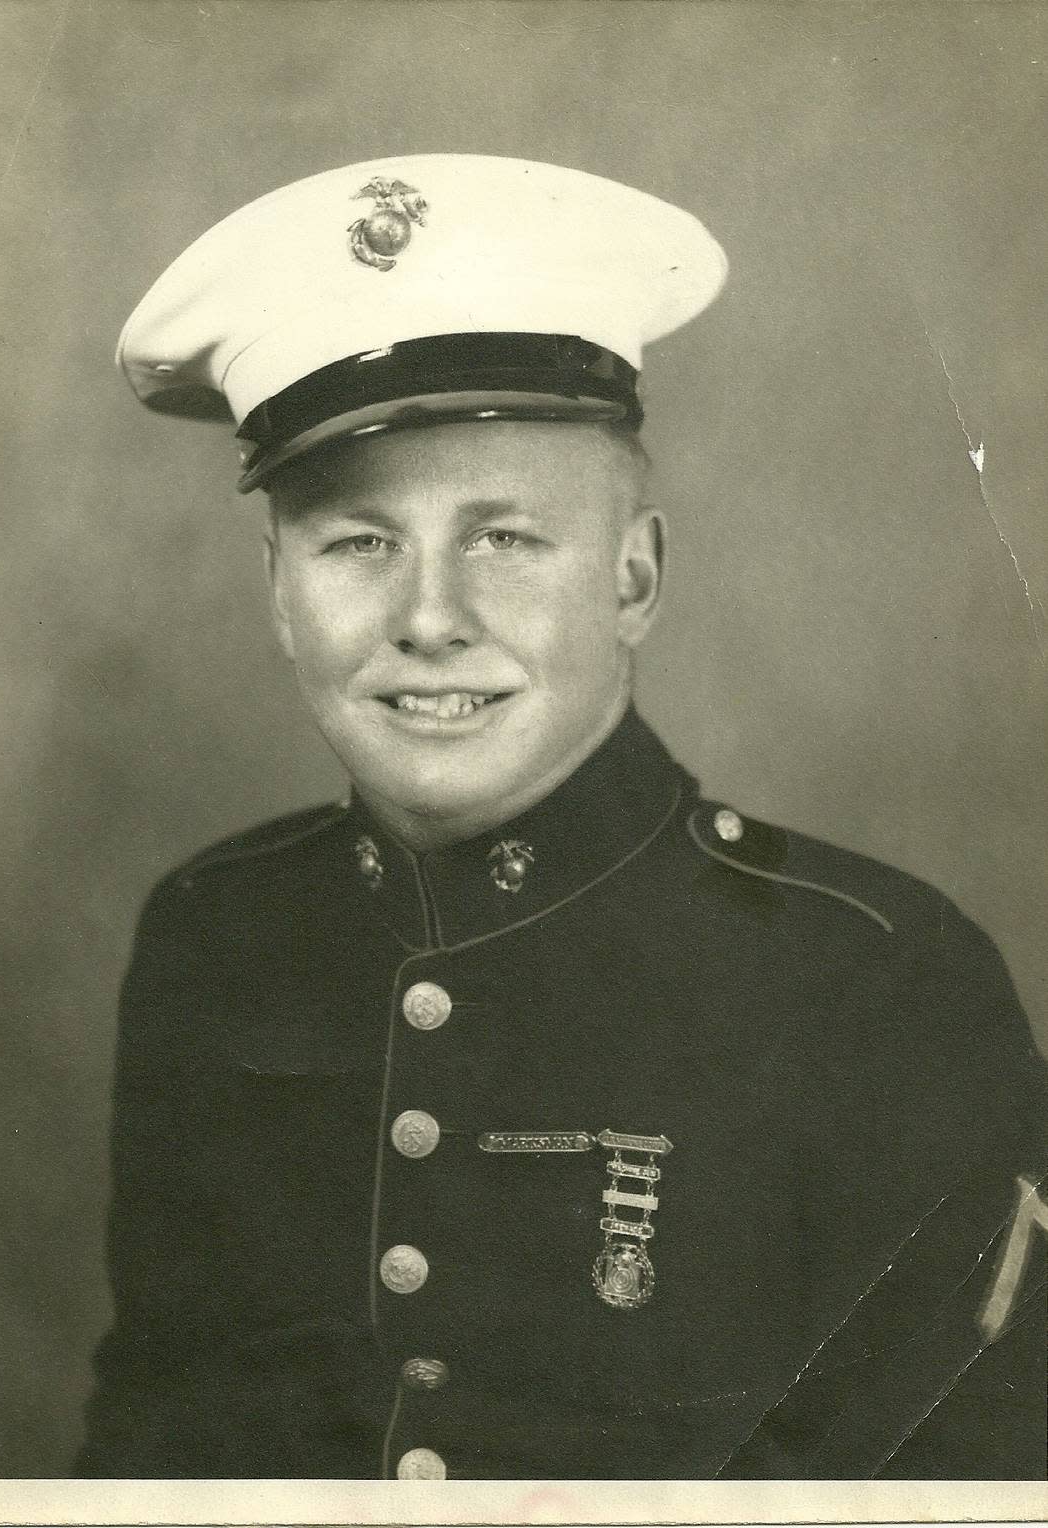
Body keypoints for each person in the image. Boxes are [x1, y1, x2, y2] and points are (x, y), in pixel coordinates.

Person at [77, 155, 1046, 1480]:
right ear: (277, 590)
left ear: (634, 575)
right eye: (357, 543)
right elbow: (148, 1464)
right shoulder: (214, 931)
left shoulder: (878, 975)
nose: (429, 619)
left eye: (507, 539)